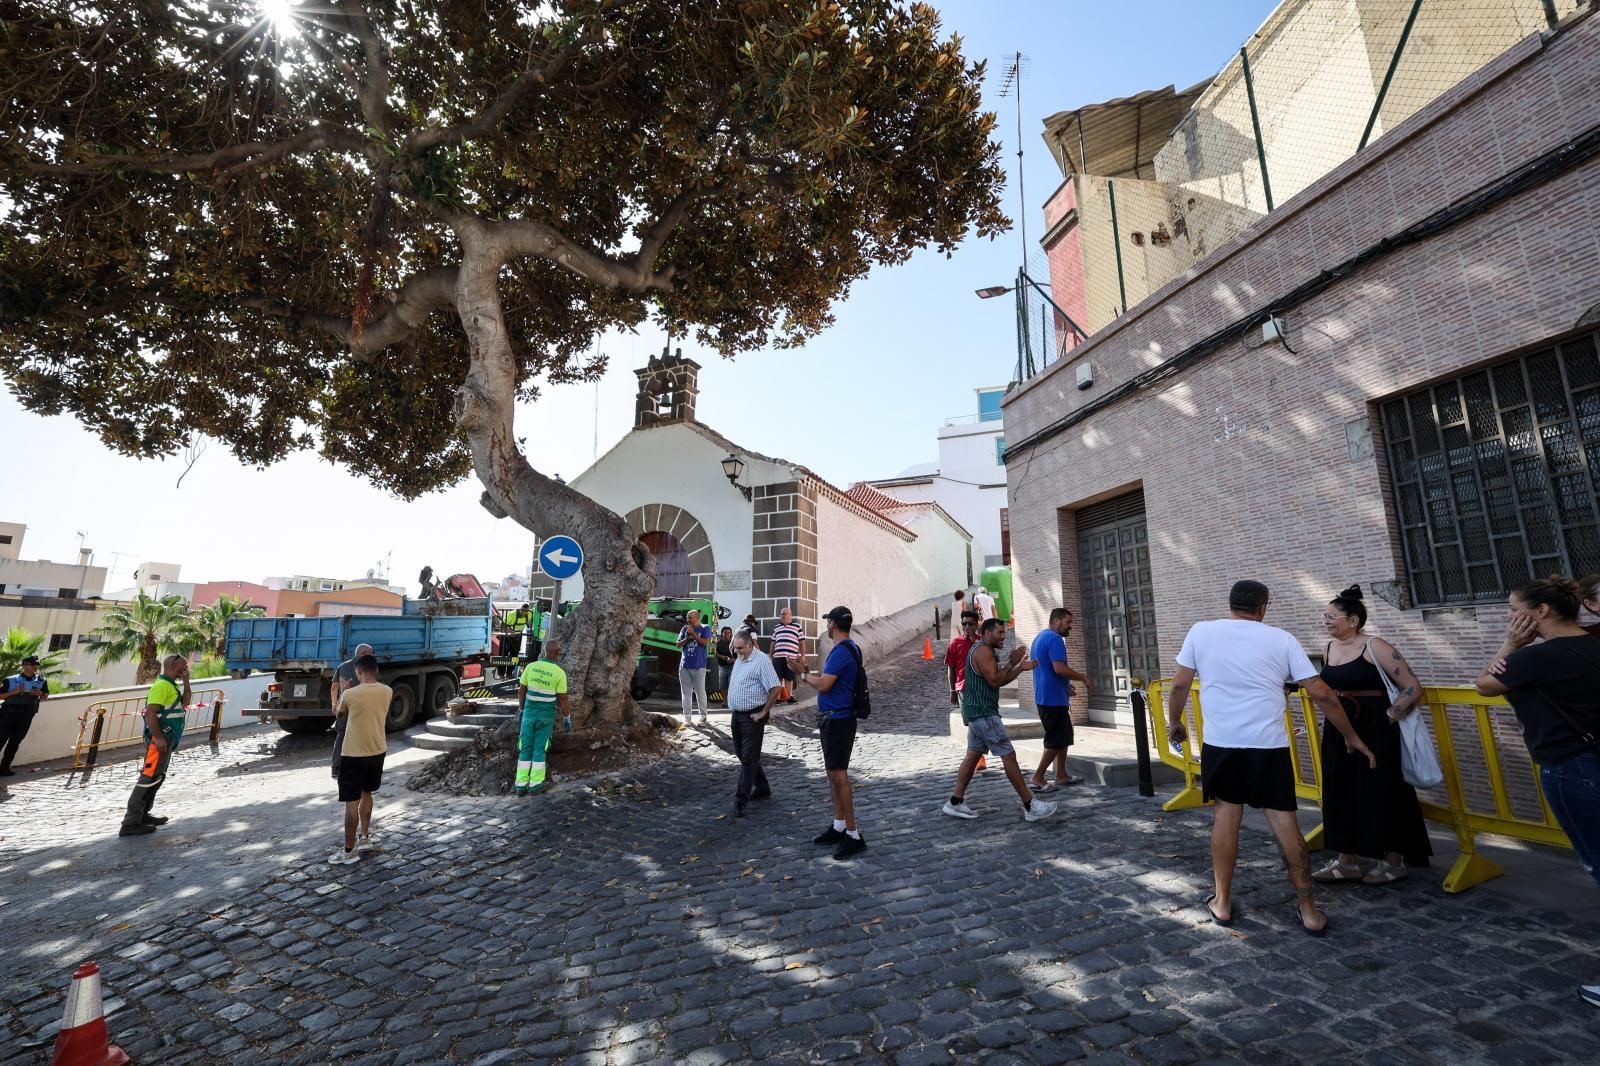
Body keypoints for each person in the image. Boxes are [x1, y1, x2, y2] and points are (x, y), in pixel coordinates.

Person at [1164, 580, 1374, 936]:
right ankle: (1308, 910)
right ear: (1262, 608)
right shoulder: (1281, 639)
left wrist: (1174, 723)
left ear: (1230, 605)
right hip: (1268, 746)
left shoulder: (1201, 632)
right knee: (1285, 823)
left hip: (1222, 744)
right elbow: (1321, 692)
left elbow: (1181, 685)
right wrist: (1353, 737)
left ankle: (1223, 902)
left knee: (1226, 816)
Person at [1475, 576, 1600, 1008]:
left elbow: (1484, 684)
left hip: (1572, 768)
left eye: (1514, 609)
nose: (1511, 617)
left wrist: (1511, 644)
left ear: (1540, 612)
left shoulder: (1535, 659)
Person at [1312, 586, 1431, 885]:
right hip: (1340, 728)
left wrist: (1390, 715)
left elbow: (1413, 686)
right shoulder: (1328, 649)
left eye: (1331, 616)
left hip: (1376, 728)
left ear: (1353, 620)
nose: (1326, 620)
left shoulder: (1375, 646)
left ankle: (1393, 861)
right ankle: (1346, 860)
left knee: (1382, 789)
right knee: (1340, 789)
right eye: (1325, 615)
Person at [942, 618, 1057, 822]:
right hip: (984, 713)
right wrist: (1014, 663)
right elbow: (995, 680)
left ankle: (955, 801)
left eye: (1004, 633)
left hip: (978, 712)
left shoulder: (984, 650)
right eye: (1000, 633)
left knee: (973, 755)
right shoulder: (983, 651)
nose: (1003, 636)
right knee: (1008, 755)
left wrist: (1019, 667)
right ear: (987, 633)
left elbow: (998, 679)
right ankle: (1030, 805)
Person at [798, 606, 867, 860]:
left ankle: (853, 834)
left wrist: (804, 674)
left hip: (838, 720)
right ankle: (839, 825)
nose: (826, 625)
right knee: (833, 774)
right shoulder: (852, 648)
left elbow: (825, 684)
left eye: (828, 622)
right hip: (838, 718)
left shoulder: (840, 652)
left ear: (834, 625)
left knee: (839, 776)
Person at [120, 654, 192, 837]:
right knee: (148, 778)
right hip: (158, 741)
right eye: (184, 664)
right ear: (174, 664)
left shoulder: (171, 685)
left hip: (167, 740)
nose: (186, 666)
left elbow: (185, 703)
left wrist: (186, 683)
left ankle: (143, 814)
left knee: (157, 777)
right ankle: (130, 822)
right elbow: (151, 713)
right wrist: (158, 738)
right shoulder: (161, 686)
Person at [328, 654, 391, 864]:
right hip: (377, 750)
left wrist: (344, 691)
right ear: (376, 670)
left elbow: (338, 715)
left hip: (354, 753)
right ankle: (364, 838)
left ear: (359, 672)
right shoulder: (387, 691)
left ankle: (348, 852)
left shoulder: (351, 694)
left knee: (350, 805)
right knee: (367, 793)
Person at [1030, 608, 1092, 792]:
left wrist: (1065, 686)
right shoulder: (1055, 639)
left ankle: (1061, 775)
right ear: (1056, 621)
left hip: (1049, 696)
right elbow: (1059, 668)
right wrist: (1083, 677)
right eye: (1068, 622)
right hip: (1051, 699)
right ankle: (1038, 777)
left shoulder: (1040, 637)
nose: (1070, 626)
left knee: (1064, 737)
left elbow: (1049, 670)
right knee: (1055, 739)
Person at [726, 630, 781, 817]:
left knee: (748, 758)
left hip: (753, 716)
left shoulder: (761, 661)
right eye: (736, 647)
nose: (737, 651)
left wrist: (764, 712)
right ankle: (763, 786)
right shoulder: (740, 657)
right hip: (737, 714)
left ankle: (741, 800)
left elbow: (776, 687)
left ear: (750, 644)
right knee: (742, 754)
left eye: (741, 648)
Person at [516, 638, 571, 796]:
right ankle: (535, 785)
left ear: (545, 651)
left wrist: (521, 710)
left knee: (525, 748)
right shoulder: (559, 673)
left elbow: (521, 691)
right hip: (546, 717)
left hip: (528, 715)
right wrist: (567, 717)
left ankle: (520, 785)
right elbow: (563, 698)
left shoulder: (531, 667)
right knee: (539, 749)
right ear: (557, 652)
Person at [944, 611, 988, 771]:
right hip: (964, 689)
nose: (967, 627)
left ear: (977, 625)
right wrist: (952, 691)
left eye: (970, 623)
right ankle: (978, 756)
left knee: (982, 721)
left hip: (983, 689)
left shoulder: (983, 643)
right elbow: (951, 668)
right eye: (964, 624)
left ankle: (977, 755)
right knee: (972, 723)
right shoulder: (955, 644)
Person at [329, 643, 375, 778]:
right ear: (364, 653)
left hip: (344, 706)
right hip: (362, 707)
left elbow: (334, 687)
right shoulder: (368, 667)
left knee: (342, 735)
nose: (372, 656)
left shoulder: (342, 666)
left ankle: (336, 768)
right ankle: (362, 766)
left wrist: (334, 704)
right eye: (370, 653)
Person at [0, 655, 51, 777]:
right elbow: (0, 696)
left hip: (26, 715)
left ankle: (4, 768)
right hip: (8, 714)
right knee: (0, 740)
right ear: (24, 665)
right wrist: (14, 692)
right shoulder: (10, 680)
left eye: (36, 665)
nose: (35, 667)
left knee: (15, 742)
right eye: (32, 664)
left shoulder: (41, 680)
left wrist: (40, 693)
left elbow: (46, 695)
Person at [677, 609, 712, 725]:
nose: (688, 620)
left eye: (690, 617)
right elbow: (678, 645)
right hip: (685, 665)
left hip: (699, 666)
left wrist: (694, 634)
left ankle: (703, 716)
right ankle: (687, 717)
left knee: (700, 691)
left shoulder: (705, 628)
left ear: (697, 617)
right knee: (685, 693)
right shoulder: (684, 629)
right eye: (687, 617)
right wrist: (687, 637)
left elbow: (704, 643)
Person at [771, 607, 805, 705]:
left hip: (791, 657)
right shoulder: (777, 627)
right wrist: (770, 654)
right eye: (781, 614)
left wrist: (803, 655)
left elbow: (802, 642)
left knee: (789, 678)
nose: (783, 616)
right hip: (778, 656)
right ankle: (777, 698)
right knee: (777, 678)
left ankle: (789, 697)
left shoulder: (797, 627)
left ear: (790, 615)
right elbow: (773, 642)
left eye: (785, 614)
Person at [713, 626, 736, 704]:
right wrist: (722, 657)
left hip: (732, 666)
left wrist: (732, 659)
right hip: (722, 666)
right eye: (725, 632)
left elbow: (739, 654)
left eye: (728, 633)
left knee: (731, 684)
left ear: (731, 634)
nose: (727, 634)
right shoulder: (718, 642)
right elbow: (715, 653)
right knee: (722, 685)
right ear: (722, 634)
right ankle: (725, 700)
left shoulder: (734, 643)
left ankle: (731, 701)